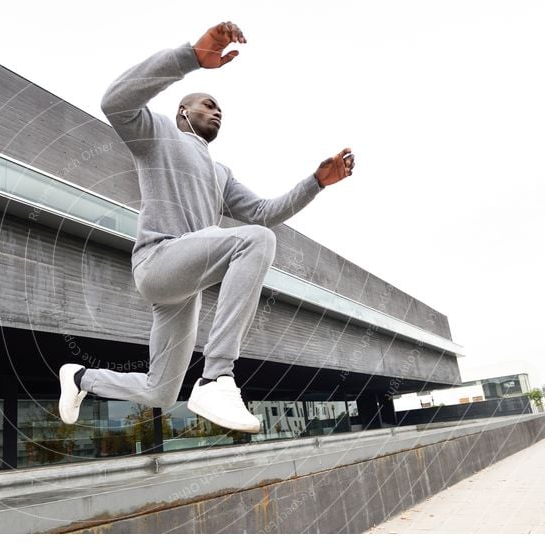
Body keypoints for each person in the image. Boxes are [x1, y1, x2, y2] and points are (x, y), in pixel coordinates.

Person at [59, 22, 355, 433]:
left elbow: (263, 212)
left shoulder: (221, 172)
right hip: (159, 259)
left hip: (183, 285)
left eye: (220, 110)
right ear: (184, 111)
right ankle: (217, 376)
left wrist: (315, 183)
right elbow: (114, 102)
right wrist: (190, 58)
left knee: (160, 391)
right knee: (255, 242)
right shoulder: (158, 133)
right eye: (209, 104)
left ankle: (79, 378)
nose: (216, 112)